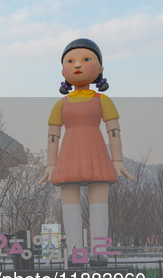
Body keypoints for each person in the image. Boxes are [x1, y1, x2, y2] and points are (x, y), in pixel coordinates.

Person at [39, 38, 134, 263]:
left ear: (100, 69)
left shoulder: (103, 100)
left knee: (99, 199)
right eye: (70, 61)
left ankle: (99, 251)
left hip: (96, 152)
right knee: (69, 202)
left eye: (86, 59)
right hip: (69, 155)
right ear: (63, 70)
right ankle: (76, 253)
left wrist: (117, 159)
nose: (78, 65)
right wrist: (50, 165)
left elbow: (114, 132)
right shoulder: (59, 105)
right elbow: (53, 136)